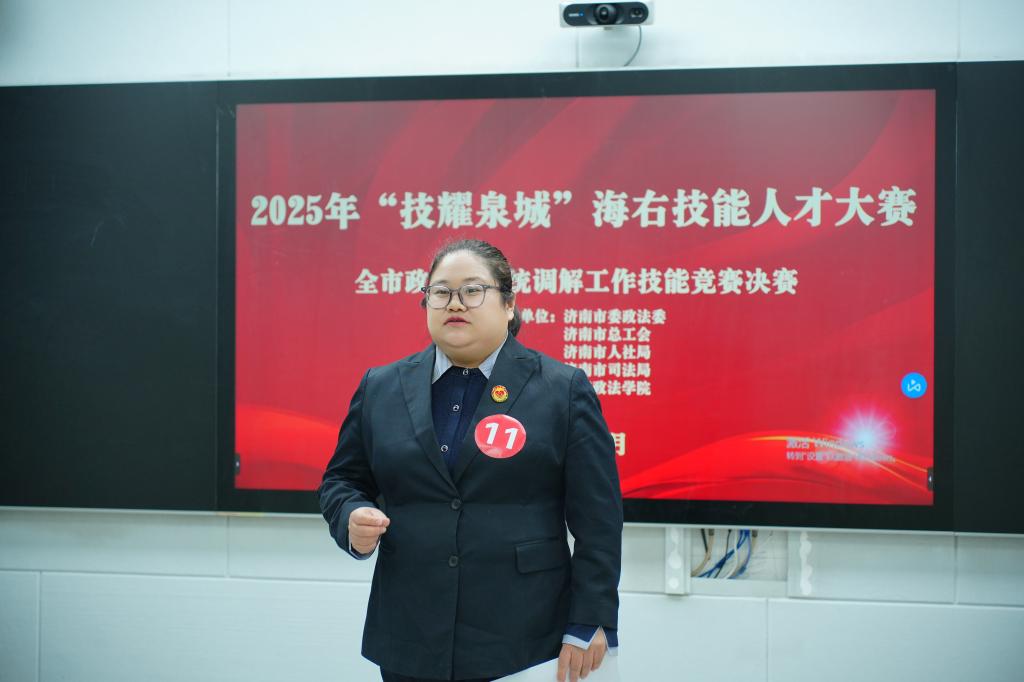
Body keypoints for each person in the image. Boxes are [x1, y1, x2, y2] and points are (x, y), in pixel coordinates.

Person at [318, 239, 623, 682]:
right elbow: (342, 480)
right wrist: (351, 515)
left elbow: (598, 518)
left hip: (525, 635)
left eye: (473, 290)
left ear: (509, 304)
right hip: (410, 631)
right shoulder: (381, 386)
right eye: (440, 292)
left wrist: (591, 616)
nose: (455, 303)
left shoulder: (562, 389)